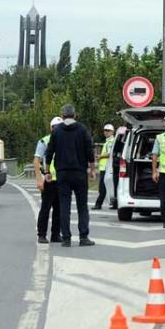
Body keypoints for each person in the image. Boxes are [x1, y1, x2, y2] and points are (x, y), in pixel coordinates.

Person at [45, 104, 96, 247]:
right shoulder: (82, 129)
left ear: (62, 116)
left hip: (62, 174)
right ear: (75, 115)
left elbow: (49, 152)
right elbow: (89, 152)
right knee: (82, 206)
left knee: (64, 206)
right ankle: (83, 237)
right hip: (79, 173)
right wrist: (92, 170)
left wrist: (47, 171)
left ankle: (66, 238)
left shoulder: (57, 131)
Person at [34, 117, 63, 244]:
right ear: (51, 128)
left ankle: (56, 234)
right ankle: (41, 234)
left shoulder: (66, 140)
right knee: (46, 208)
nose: (57, 129)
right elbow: (36, 161)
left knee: (59, 209)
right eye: (55, 127)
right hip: (48, 180)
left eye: (59, 126)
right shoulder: (44, 141)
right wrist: (39, 180)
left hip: (62, 179)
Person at [93, 124, 115, 210]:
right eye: (105, 130)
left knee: (102, 188)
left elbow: (109, 153)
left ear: (112, 132)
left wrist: (100, 156)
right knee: (105, 187)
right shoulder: (108, 141)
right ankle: (113, 203)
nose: (106, 132)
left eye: (108, 130)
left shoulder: (111, 141)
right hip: (104, 168)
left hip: (107, 168)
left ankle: (98, 204)